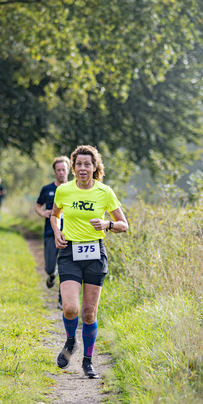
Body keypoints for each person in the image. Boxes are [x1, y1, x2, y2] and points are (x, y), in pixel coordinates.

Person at [50, 145, 128, 379]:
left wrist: (107, 224)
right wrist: (57, 232)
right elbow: (55, 215)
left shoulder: (104, 192)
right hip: (69, 253)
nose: (82, 168)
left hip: (95, 253)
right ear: (73, 167)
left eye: (87, 164)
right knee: (70, 308)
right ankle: (71, 341)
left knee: (88, 314)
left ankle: (87, 361)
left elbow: (124, 224)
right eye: (79, 164)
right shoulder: (64, 190)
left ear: (95, 167)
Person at [35, 156, 70, 309]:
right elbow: (38, 206)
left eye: (64, 169)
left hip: (69, 233)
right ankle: (51, 274)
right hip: (50, 232)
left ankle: (62, 300)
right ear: (55, 172)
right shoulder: (47, 189)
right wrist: (43, 213)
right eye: (58, 170)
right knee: (50, 268)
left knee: (66, 268)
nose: (61, 172)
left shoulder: (74, 189)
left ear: (68, 170)